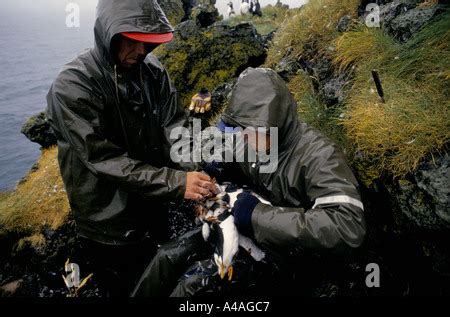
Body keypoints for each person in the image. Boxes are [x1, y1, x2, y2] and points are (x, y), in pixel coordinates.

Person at [131, 67, 366, 296]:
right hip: (242, 231)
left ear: (275, 124)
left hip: (289, 258)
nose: (243, 136)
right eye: (241, 128)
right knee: (167, 257)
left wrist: (256, 215)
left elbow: (346, 226)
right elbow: (228, 153)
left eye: (252, 131)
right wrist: (217, 170)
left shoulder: (320, 156)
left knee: (193, 287)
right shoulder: (252, 138)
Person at [46, 0, 216, 296]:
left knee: (162, 278)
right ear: (109, 33)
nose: (141, 51)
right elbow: (105, 160)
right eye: (132, 41)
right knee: (128, 288)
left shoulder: (152, 70)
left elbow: (174, 128)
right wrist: (177, 183)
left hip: (154, 205)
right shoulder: (72, 86)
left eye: (148, 43)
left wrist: (196, 174)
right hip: (109, 223)